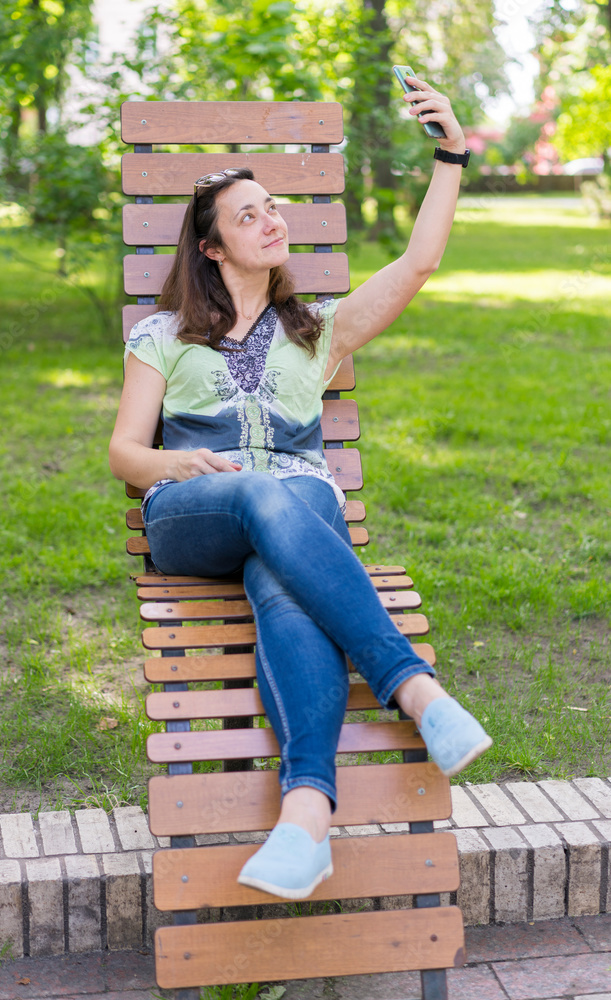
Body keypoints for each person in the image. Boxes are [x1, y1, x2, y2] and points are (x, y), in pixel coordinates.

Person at [109, 76, 491, 902]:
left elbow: (419, 261)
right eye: (248, 215)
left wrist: (450, 150)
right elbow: (125, 456)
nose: (271, 218)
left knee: (281, 581)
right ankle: (412, 687)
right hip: (194, 513)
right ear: (210, 248)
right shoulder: (162, 336)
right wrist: (180, 465)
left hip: (297, 518)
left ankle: (306, 817)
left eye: (273, 206)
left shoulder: (317, 331)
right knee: (258, 492)